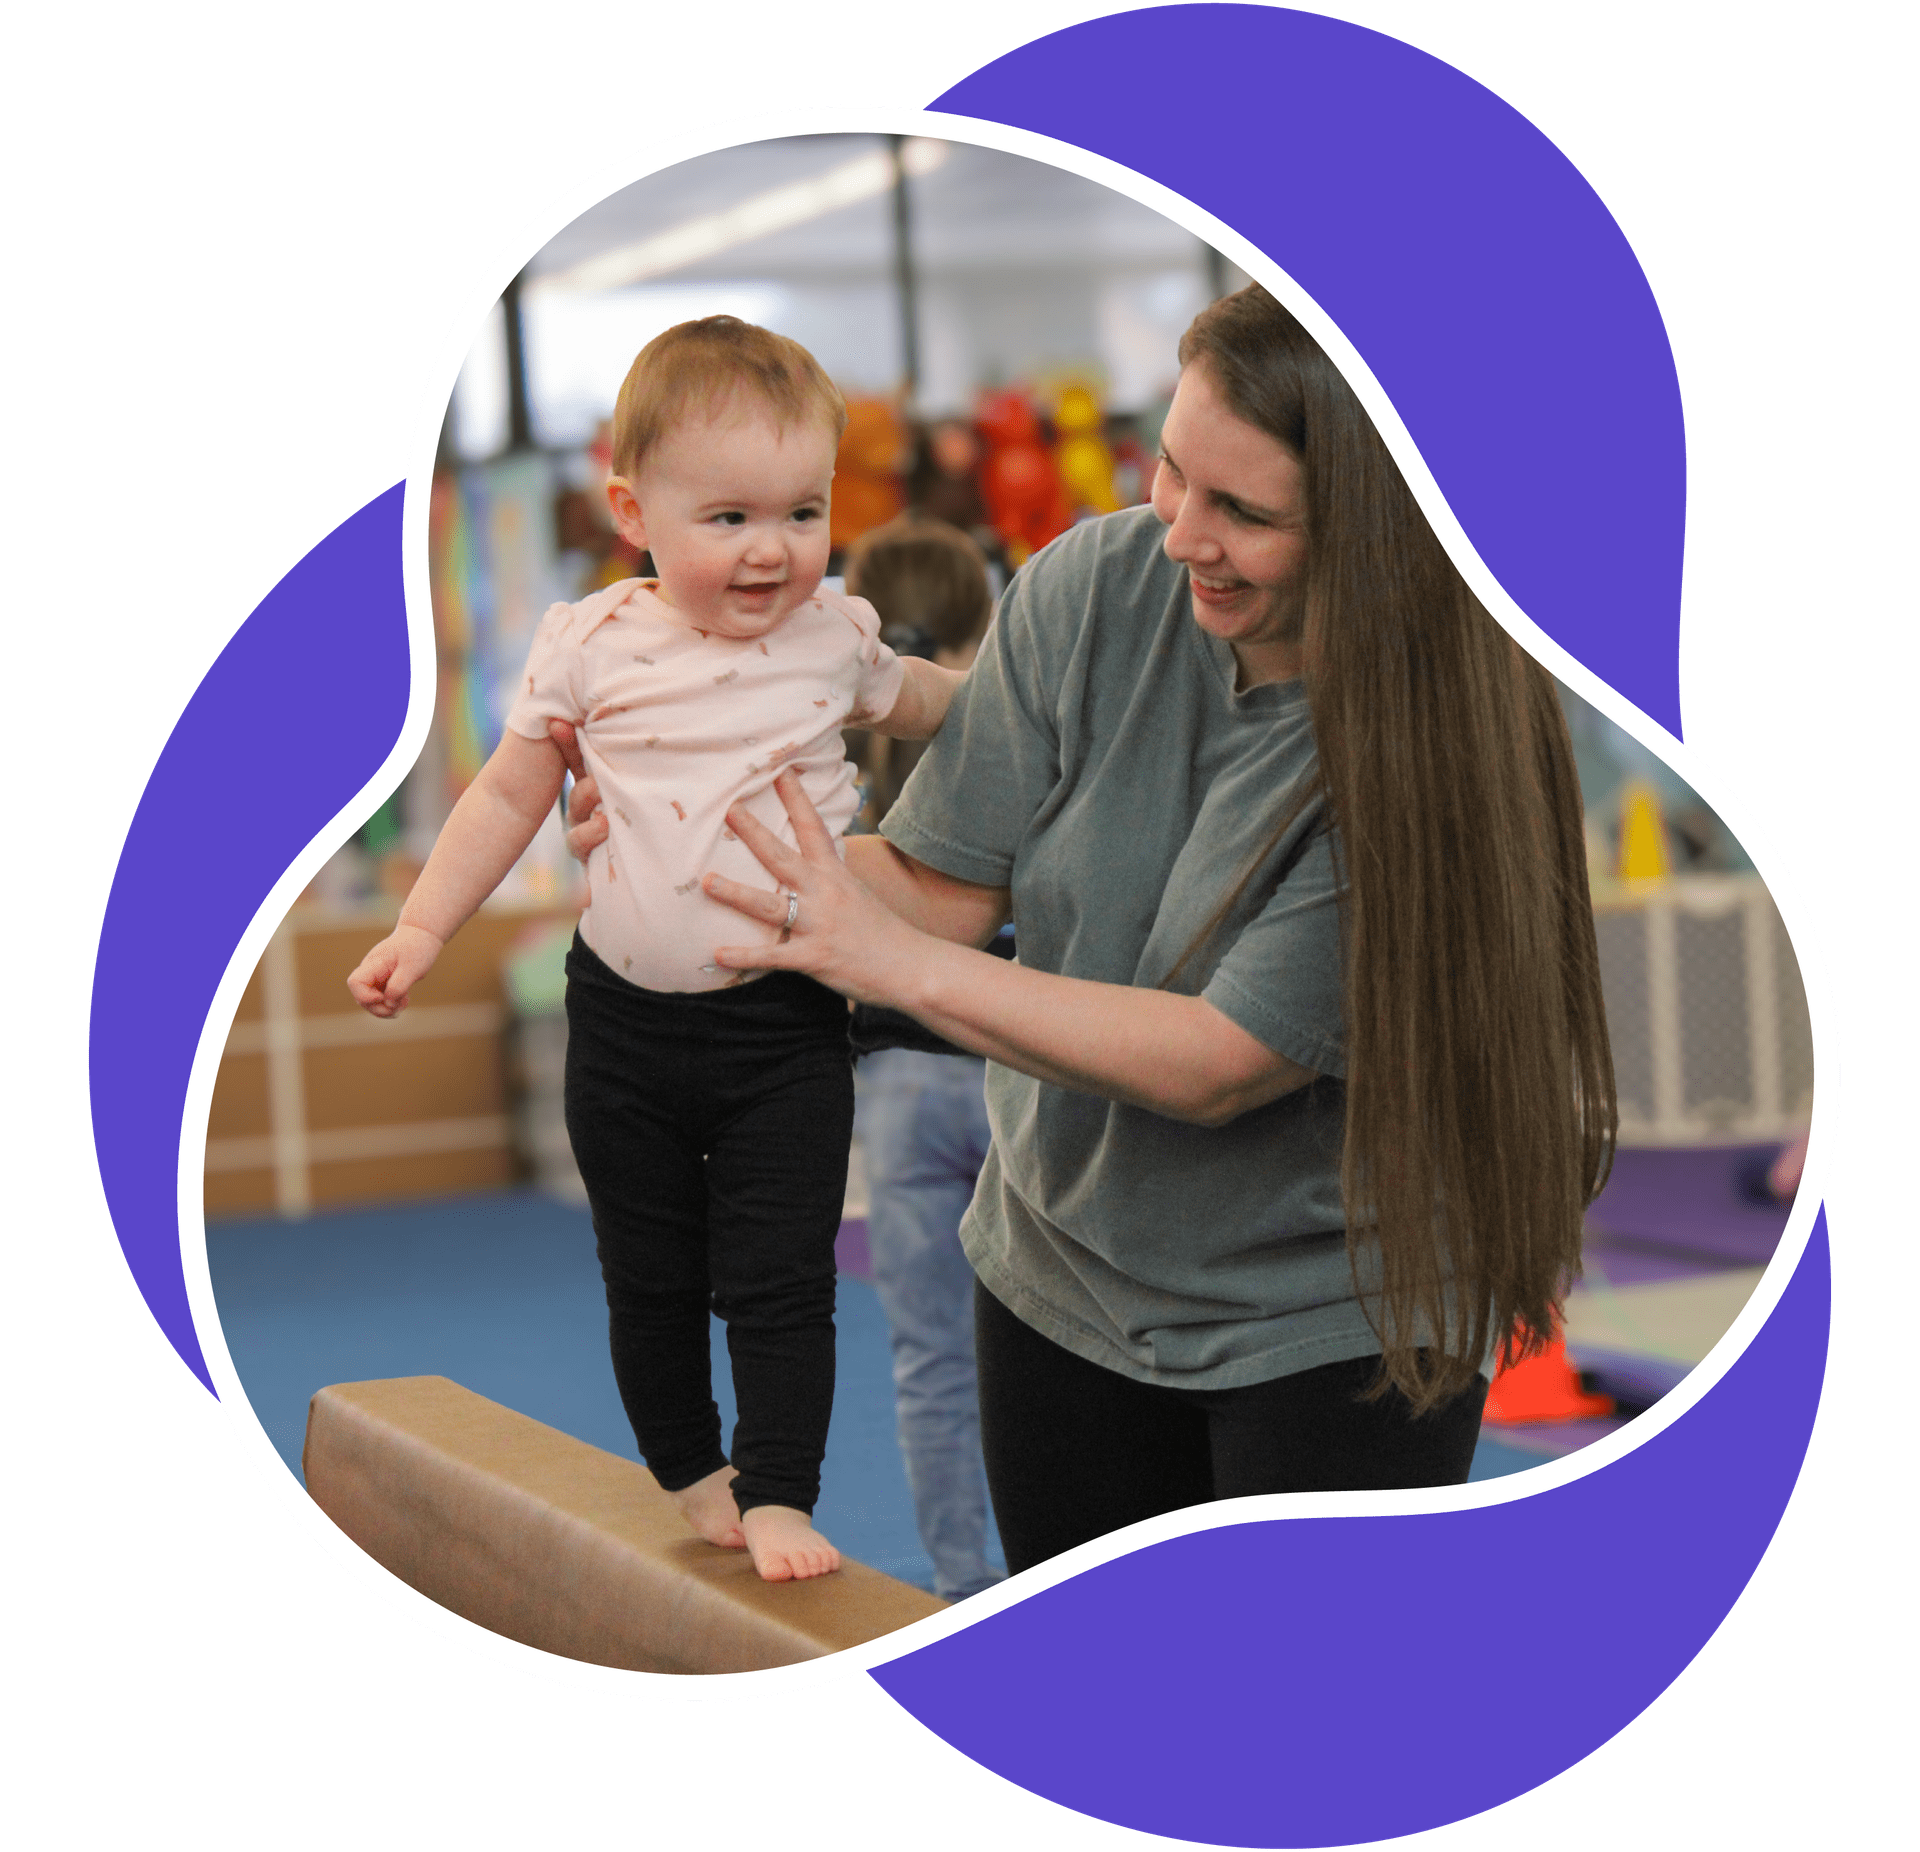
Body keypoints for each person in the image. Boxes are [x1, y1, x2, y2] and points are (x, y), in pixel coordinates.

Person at [565, 286, 1616, 1577]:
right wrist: (690, 851)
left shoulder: (1430, 747)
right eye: (1172, 469)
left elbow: (1217, 1063)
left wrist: (881, 961)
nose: (1183, 533)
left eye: (1247, 514)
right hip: (1061, 1280)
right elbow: (938, 883)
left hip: (1330, 1327)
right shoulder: (1094, 586)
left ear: (1383, 531)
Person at [348, 317, 964, 1581]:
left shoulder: (833, 637)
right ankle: (692, 1465)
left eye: (802, 510)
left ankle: (783, 1487)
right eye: (727, 518)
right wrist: (422, 924)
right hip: (623, 1026)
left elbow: (932, 703)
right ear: (632, 509)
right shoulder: (590, 643)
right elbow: (511, 796)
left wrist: (1040, 698)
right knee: (650, 1273)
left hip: (783, 1025)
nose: (771, 549)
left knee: (783, 1276)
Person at [843, 518, 1005, 1601]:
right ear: (984, 623)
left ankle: (959, 1582)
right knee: (1063, 1341)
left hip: (899, 1088)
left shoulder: (836, 769)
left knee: (932, 1360)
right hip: (1018, 1069)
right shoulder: (1006, 738)